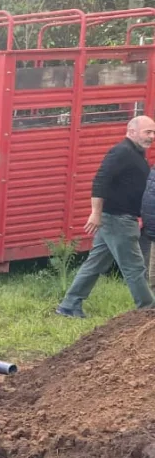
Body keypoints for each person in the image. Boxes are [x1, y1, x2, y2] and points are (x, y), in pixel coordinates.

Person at [57, 115, 155, 317]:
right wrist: (95, 213)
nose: (152, 136)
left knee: (95, 263)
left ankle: (69, 305)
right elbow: (100, 180)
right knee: (135, 268)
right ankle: (149, 312)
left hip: (117, 219)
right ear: (131, 131)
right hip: (118, 219)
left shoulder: (136, 154)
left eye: (153, 132)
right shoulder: (121, 152)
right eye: (148, 132)